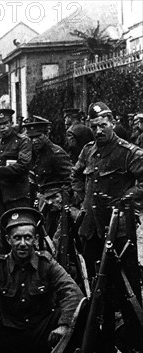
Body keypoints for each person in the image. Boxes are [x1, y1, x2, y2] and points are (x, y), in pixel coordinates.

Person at [0, 207, 83, 353]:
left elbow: (73, 292)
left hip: (42, 335)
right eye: (17, 238)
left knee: (80, 312)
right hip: (8, 334)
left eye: (28, 237)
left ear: (35, 239)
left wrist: (64, 324)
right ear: (8, 239)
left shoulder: (47, 264)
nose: (23, 243)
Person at [72, 102, 143, 276]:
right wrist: (82, 200)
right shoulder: (88, 151)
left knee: (123, 279)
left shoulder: (128, 153)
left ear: (112, 123)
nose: (98, 131)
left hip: (118, 228)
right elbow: (75, 176)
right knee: (92, 276)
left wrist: (127, 202)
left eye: (103, 125)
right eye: (94, 126)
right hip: (90, 227)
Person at [0, 108, 32, 222]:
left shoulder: (22, 141)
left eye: (5, 123)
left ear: (11, 123)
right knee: (1, 227)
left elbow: (23, 166)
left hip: (17, 194)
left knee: (18, 226)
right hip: (0, 195)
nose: (2, 127)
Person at [24, 118, 72, 189]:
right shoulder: (31, 152)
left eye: (38, 136)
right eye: (31, 138)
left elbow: (71, 178)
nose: (34, 140)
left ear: (47, 135)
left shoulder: (56, 153)